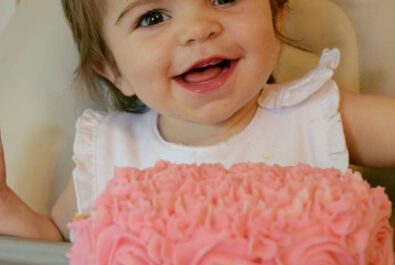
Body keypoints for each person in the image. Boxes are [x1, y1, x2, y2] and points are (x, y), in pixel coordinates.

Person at [0, 0, 394, 242]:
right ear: (112, 69)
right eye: (153, 17)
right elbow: (55, 247)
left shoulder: (316, 115)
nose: (198, 28)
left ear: (277, 12)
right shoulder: (109, 152)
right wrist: (8, 208)